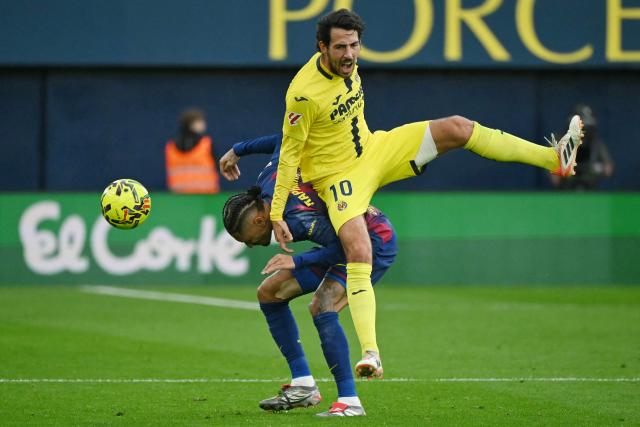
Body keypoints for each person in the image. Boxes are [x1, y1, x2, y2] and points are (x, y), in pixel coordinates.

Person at [268, 9, 584, 377]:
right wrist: (276, 213)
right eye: (340, 47)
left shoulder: (348, 66)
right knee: (359, 248)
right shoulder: (303, 94)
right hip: (338, 179)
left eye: (355, 45)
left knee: (458, 128)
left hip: (375, 149)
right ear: (322, 47)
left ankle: (554, 160)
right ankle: (371, 352)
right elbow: (289, 153)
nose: (350, 54)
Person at [220, 134, 397, 417]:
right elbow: (282, 139)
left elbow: (345, 248)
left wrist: (297, 261)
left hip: (373, 240)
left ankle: (349, 401)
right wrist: (237, 149)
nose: (250, 244)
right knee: (270, 292)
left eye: (246, 239)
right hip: (341, 240)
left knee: (322, 304)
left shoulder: (300, 219)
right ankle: (303, 385)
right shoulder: (272, 177)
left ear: (258, 219)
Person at [551, 104, 614, 191]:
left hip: (589, 188)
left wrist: (595, 168)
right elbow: (552, 172)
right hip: (566, 189)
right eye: (581, 126)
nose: (584, 130)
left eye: (587, 127)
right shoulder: (561, 141)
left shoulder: (595, 143)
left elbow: (608, 168)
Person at [165, 108, 220, 193]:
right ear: (190, 124)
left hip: (179, 197)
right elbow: (218, 166)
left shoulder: (170, 146)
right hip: (205, 198)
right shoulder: (207, 144)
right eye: (199, 121)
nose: (203, 124)